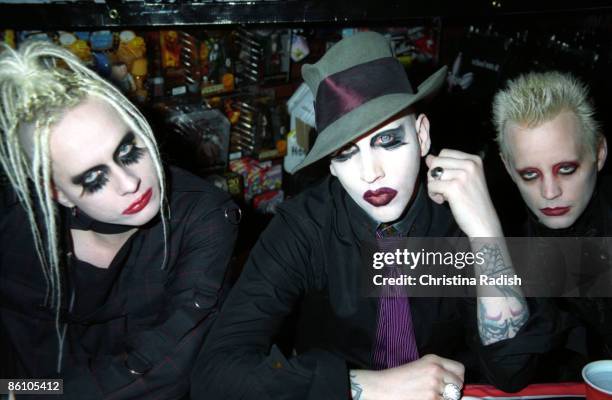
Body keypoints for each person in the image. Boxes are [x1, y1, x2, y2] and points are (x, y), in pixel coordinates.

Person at [192, 32, 551, 400]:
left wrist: (485, 231)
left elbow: (513, 370)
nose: (370, 172)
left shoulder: (455, 219)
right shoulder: (305, 226)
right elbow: (215, 375)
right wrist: (361, 387)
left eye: (388, 141)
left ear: (423, 135)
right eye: (346, 153)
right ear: (331, 166)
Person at [0, 41, 239, 398]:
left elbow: (166, 367)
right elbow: (24, 369)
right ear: (58, 193)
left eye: (129, 150)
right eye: (94, 179)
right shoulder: (20, 234)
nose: (131, 183)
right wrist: (19, 392)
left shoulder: (203, 217)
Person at [492, 70, 612, 379]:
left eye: (567, 169)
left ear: (599, 152)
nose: (550, 193)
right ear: (507, 167)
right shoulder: (507, 242)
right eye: (530, 174)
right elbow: (509, 372)